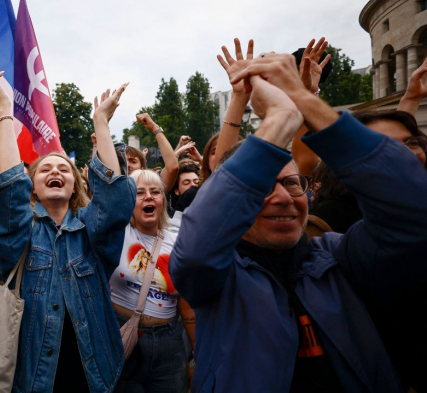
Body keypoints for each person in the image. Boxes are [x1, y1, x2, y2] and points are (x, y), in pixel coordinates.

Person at [170, 52, 427, 392]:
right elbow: (196, 249)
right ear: (239, 198)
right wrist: (279, 119)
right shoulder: (218, 277)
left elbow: (412, 211)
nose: (282, 197)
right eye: (261, 186)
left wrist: (304, 100)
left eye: (292, 183)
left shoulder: (343, 257)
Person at [0, 68, 136, 392]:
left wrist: (102, 124)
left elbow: (114, 201)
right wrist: (4, 113)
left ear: (75, 184)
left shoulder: (91, 232)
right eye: (45, 169)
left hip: (97, 377)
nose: (55, 171)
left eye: (63, 168)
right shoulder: (20, 237)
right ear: (33, 188)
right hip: (36, 379)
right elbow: (9, 190)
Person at [109, 169, 195, 392]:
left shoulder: (179, 240)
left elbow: (187, 301)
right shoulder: (116, 234)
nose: (148, 196)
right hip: (122, 336)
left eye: (155, 192)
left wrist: (197, 352)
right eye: (139, 192)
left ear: (163, 201)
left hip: (169, 344)